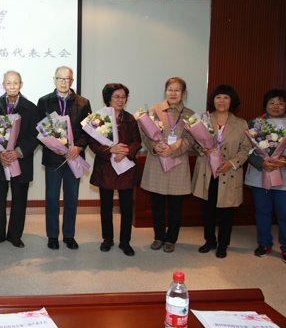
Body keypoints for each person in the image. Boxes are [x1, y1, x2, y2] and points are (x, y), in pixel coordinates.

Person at [245, 89, 286, 265]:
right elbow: (245, 148)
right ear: (265, 105)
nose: (276, 106)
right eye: (272, 103)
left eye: (280, 103)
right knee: (262, 211)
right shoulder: (254, 124)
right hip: (260, 175)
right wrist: (261, 162)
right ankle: (264, 244)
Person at [192, 85, 252, 259]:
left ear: (232, 101)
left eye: (226, 97)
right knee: (208, 210)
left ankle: (223, 244)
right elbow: (194, 142)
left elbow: (246, 149)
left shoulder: (240, 124)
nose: (222, 101)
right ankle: (209, 240)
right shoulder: (203, 120)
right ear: (213, 100)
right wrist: (202, 149)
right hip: (208, 173)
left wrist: (231, 163)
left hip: (228, 172)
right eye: (218, 97)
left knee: (227, 212)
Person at [37, 66, 91, 250]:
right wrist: (53, 146)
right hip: (53, 159)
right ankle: (52, 235)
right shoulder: (44, 101)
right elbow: (39, 129)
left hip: (74, 157)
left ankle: (69, 235)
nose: (63, 82)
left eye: (67, 79)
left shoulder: (83, 102)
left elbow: (88, 130)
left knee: (71, 198)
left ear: (72, 81)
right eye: (60, 78)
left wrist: (79, 146)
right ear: (54, 80)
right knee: (52, 198)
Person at [139, 77, 195, 253]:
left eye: (177, 90)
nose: (173, 93)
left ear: (183, 93)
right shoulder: (154, 110)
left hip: (178, 164)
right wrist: (154, 147)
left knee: (175, 206)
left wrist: (174, 149)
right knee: (157, 205)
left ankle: (171, 239)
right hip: (157, 162)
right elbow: (144, 134)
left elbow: (191, 139)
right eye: (170, 89)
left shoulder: (190, 114)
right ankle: (158, 237)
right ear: (166, 91)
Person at [0, 71, 39, 248]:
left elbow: (35, 135)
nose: (12, 86)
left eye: (16, 83)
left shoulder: (30, 108)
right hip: (0, 161)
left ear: (21, 85)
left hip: (21, 160)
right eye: (8, 83)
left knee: (20, 200)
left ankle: (15, 235)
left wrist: (18, 152)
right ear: (3, 86)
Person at [89, 83, 141, 256]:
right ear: (108, 98)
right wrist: (110, 150)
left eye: (123, 97)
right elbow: (93, 143)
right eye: (116, 96)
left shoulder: (130, 119)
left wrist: (125, 151)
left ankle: (125, 241)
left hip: (126, 168)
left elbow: (137, 142)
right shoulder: (99, 118)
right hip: (106, 168)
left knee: (126, 207)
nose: (120, 100)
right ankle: (108, 239)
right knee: (106, 207)